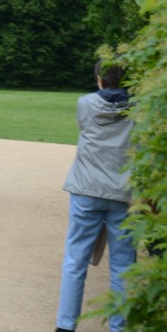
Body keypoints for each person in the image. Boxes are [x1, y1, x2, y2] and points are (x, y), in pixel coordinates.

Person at [55, 59, 136, 332]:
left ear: (99, 79)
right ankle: (119, 327)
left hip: (86, 189)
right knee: (124, 265)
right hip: (124, 193)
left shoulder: (86, 104)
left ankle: (65, 326)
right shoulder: (139, 107)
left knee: (75, 260)